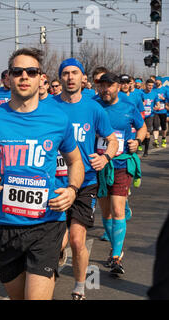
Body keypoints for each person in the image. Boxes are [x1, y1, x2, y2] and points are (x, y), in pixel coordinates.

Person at [0, 48, 85, 300]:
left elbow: (75, 162)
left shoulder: (57, 119)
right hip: (5, 226)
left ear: (41, 78)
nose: (24, 76)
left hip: (47, 223)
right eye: (17, 72)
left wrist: (72, 190)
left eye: (31, 71)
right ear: (7, 78)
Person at [53, 58, 118, 300]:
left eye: (75, 73)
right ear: (60, 78)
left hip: (85, 182)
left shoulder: (94, 109)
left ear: (83, 79)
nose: (70, 77)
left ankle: (81, 286)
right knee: (57, 242)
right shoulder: (48, 106)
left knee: (78, 240)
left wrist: (106, 158)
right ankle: (57, 256)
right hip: (54, 183)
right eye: (66, 73)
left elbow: (112, 140)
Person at [96, 72, 146, 275]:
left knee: (118, 208)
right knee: (105, 212)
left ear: (117, 87)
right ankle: (113, 248)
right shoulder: (93, 105)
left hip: (121, 164)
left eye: (110, 85)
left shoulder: (128, 107)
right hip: (99, 165)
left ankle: (117, 256)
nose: (106, 89)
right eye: (102, 85)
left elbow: (142, 129)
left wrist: (137, 141)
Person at [142, 79, 160, 157]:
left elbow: (158, 104)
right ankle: (140, 143)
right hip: (140, 115)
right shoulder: (140, 93)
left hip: (150, 115)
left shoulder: (154, 94)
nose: (150, 87)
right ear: (146, 85)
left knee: (147, 133)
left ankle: (146, 151)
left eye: (152, 86)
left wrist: (157, 107)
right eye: (149, 85)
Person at [152, 77, 168, 148]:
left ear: (161, 82)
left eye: (158, 81)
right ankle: (156, 140)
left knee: (163, 127)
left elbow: (168, 99)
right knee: (156, 126)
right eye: (156, 81)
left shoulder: (165, 90)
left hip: (163, 110)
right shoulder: (153, 90)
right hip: (155, 111)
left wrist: (164, 99)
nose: (157, 82)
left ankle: (163, 139)